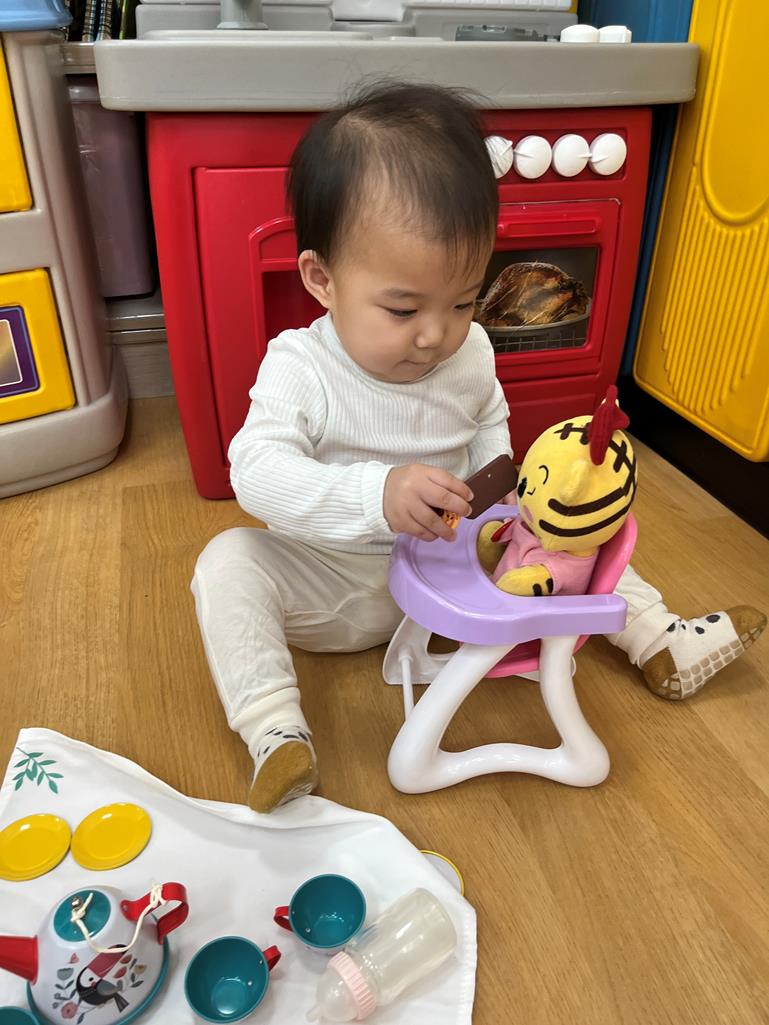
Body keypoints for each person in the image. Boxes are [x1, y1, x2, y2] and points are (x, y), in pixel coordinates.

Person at [191, 82, 766, 813]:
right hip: (334, 581)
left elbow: (488, 416)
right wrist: (377, 494)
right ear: (322, 280)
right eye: (403, 308)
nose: (437, 334)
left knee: (573, 532)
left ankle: (659, 639)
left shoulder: (469, 351)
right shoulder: (299, 365)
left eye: (462, 300)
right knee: (228, 562)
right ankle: (274, 728)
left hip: (460, 568)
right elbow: (255, 471)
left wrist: (505, 492)